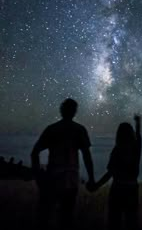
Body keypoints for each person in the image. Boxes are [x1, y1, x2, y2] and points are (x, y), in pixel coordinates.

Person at [31, 98, 94, 229]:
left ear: (61, 110)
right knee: (67, 217)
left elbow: (34, 153)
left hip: (52, 179)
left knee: (46, 217)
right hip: (71, 180)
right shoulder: (79, 130)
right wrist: (92, 178)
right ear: (74, 112)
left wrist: (38, 176)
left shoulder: (52, 129)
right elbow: (87, 156)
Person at [89, 114, 142, 230]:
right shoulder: (136, 148)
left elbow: (110, 173)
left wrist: (97, 185)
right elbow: (139, 136)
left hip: (117, 189)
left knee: (114, 222)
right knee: (131, 221)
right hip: (133, 189)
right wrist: (138, 122)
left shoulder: (117, 150)